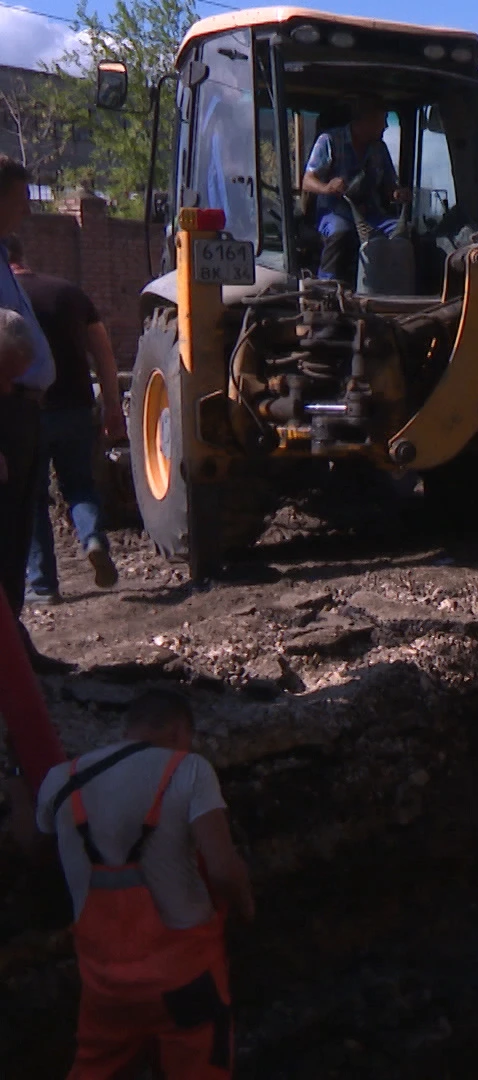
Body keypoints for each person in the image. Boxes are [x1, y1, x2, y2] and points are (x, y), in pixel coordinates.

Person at [37, 688, 254, 1079]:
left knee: (94, 1067)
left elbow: (32, 842)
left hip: (105, 984)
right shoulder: (188, 769)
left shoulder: (61, 779)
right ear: (177, 731)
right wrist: (246, 908)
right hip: (185, 978)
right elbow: (222, 868)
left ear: (128, 728)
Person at [7, 234, 123, 603]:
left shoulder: (7, 299)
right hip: (76, 409)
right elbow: (104, 353)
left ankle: (42, 584)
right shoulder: (69, 293)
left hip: (30, 412)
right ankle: (92, 538)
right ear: (24, 254)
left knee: (35, 497)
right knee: (80, 485)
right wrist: (112, 404)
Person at [0, 158, 67, 673]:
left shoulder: (3, 257)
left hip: (21, 408)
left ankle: (15, 648)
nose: (27, 207)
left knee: (19, 529)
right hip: (5, 408)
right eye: (20, 196)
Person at [301, 97, 406, 284]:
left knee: (403, 232)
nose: (385, 128)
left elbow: (390, 185)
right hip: (335, 212)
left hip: (371, 215)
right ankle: (326, 285)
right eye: (382, 121)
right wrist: (327, 187)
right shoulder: (330, 140)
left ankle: (394, 286)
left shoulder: (379, 149)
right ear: (364, 121)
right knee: (340, 231)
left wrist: (397, 193)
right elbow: (307, 181)